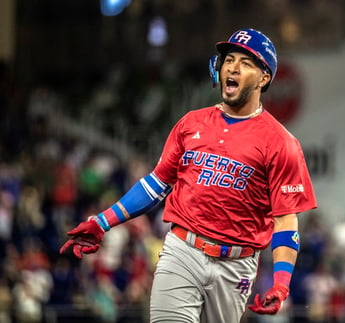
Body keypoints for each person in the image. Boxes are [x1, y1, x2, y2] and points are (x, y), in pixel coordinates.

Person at [60, 28, 317, 323]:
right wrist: (102, 221)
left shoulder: (281, 143)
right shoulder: (190, 124)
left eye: (246, 63)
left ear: (264, 78)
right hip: (183, 251)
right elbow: (156, 184)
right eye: (229, 59)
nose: (232, 67)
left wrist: (282, 283)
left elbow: (285, 220)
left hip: (237, 265)